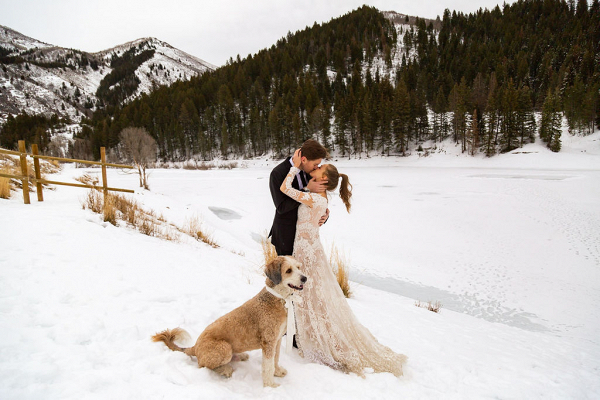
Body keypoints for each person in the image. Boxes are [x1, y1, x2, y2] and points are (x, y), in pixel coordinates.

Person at [279, 149, 407, 377]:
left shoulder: (315, 196)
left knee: (311, 296)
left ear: (323, 180)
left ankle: (313, 338)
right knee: (314, 296)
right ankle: (305, 333)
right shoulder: (321, 197)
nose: (315, 168)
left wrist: (296, 168)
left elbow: (285, 189)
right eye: (317, 166)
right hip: (308, 249)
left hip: (306, 251)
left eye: (319, 169)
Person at [269, 139, 329, 256]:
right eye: (315, 164)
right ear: (304, 159)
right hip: (286, 239)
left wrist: (324, 215)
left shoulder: (311, 172)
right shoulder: (277, 173)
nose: (317, 167)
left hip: (306, 239)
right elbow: (281, 207)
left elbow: (317, 199)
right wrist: (306, 189)